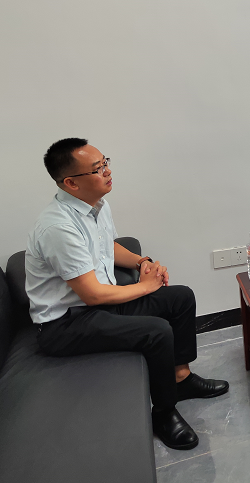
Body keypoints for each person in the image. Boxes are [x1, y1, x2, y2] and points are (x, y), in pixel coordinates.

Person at [25, 138, 229, 450]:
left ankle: (181, 378)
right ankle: (163, 413)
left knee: (181, 298)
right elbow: (93, 295)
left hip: (97, 308)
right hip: (64, 325)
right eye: (97, 169)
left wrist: (142, 262)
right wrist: (146, 286)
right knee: (157, 331)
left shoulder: (96, 205)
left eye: (105, 162)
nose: (107, 171)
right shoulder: (57, 228)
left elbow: (107, 246)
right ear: (71, 183)